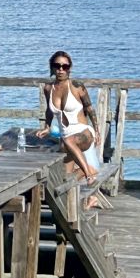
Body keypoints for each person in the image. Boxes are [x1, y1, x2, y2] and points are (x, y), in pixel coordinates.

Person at [40, 50, 101, 186]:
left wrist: (97, 131)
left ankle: (89, 174)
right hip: (65, 138)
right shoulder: (48, 88)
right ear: (52, 67)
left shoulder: (77, 87)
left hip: (83, 132)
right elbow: (49, 111)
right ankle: (87, 172)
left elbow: (90, 109)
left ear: (69, 68)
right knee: (64, 180)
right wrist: (47, 127)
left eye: (65, 67)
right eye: (57, 66)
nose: (61, 70)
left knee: (68, 141)